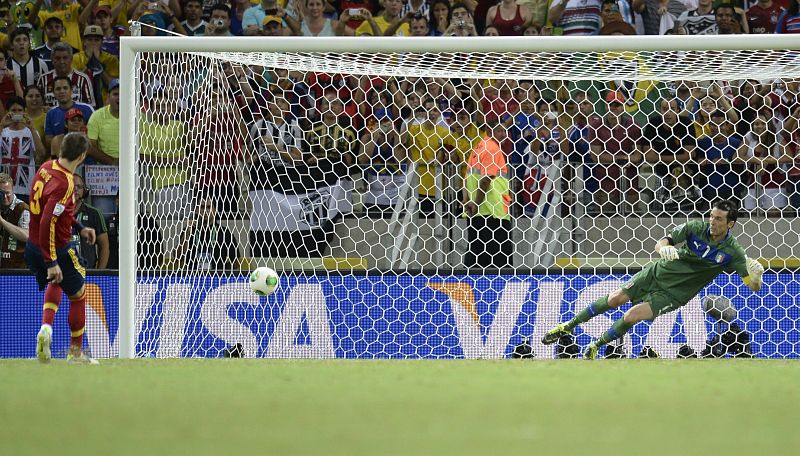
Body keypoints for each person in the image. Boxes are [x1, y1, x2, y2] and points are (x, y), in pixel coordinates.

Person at [542, 199, 764, 359]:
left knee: (631, 316)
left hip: (674, 294)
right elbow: (662, 241)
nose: (712, 221)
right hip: (657, 273)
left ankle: (595, 346)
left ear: (730, 224)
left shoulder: (733, 252)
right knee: (615, 299)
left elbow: (752, 286)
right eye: (712, 216)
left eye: (718, 219)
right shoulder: (696, 227)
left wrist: (757, 277)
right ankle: (568, 326)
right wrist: (663, 249)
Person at [25, 132, 98, 364]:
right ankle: (75, 354)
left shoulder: (46, 167)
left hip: (33, 246)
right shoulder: (65, 182)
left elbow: (54, 211)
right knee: (78, 295)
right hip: (55, 248)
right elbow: (48, 220)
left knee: (56, 282)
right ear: (82, 156)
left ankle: (46, 327)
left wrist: (79, 227)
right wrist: (51, 261)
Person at [462, 119, 513, 269]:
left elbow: (466, 178)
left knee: (475, 259)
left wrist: (467, 201)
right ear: (490, 131)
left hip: (475, 212)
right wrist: (476, 204)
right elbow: (485, 180)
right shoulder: (493, 149)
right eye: (499, 131)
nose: (503, 134)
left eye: (505, 131)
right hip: (493, 212)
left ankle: (469, 283)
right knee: (500, 263)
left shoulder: (477, 147)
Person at [178, 195, 239, 271]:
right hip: (193, 276)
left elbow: (236, 263)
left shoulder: (224, 233)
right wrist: (187, 234)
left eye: (209, 207)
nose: (205, 211)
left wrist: (223, 270)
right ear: (196, 209)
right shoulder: (188, 230)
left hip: (216, 276)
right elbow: (178, 257)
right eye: (202, 207)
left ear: (214, 210)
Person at [71, 173, 109, 269]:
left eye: (79, 187)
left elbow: (104, 247)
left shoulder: (94, 214)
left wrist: (99, 274)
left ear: (84, 191)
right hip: (62, 272)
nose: (75, 189)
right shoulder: (57, 213)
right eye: (72, 186)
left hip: (88, 272)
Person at [0, 172, 30, 268]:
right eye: (1, 194)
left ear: (13, 190)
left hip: (17, 269)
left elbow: (27, 236)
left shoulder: (22, 208)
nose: (5, 197)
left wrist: (2, 221)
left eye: (7, 193)